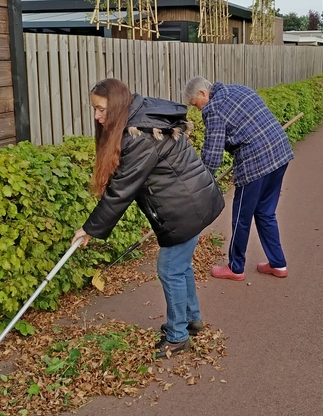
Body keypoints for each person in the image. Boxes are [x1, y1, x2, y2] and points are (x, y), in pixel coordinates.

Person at [73, 78, 224, 358]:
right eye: (94, 109)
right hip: (193, 200)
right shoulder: (142, 117)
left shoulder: (139, 135)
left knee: (170, 268)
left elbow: (122, 190)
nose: (97, 116)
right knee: (180, 267)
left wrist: (90, 228)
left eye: (102, 109)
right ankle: (191, 319)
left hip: (186, 208)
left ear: (118, 106)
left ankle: (178, 336)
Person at [185, 76, 293, 281]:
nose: (197, 110)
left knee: (241, 218)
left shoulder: (213, 108)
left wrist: (201, 184)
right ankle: (278, 264)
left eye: (195, 104)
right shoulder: (238, 89)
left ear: (202, 93)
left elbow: (212, 155)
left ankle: (236, 268)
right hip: (280, 153)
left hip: (255, 164)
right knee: (266, 212)